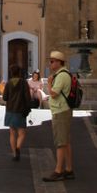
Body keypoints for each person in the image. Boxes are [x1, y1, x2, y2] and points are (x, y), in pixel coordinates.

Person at [42, 50, 75, 182]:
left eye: (52, 61)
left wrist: (49, 83)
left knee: (60, 142)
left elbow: (55, 93)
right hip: (63, 110)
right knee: (65, 141)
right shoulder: (64, 74)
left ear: (58, 62)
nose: (50, 64)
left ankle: (58, 170)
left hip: (60, 111)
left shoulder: (61, 76)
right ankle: (69, 169)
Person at [2, 65, 32, 160]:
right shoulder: (24, 83)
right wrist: (29, 107)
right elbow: (28, 97)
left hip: (10, 110)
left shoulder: (8, 83)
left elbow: (5, 98)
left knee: (12, 133)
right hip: (21, 110)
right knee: (22, 133)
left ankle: (15, 153)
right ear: (19, 72)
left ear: (11, 73)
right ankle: (18, 147)